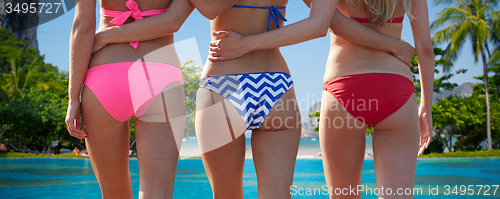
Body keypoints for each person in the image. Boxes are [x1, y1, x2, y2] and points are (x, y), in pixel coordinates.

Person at [92, 0, 414, 198]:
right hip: (277, 87)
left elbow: (208, 7)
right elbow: (318, 25)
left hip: (223, 84)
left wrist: (244, 45)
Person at [210, 0, 433, 198]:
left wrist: (245, 43)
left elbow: (329, 22)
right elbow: (424, 49)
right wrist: (425, 109)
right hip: (396, 87)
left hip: (345, 88)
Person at [64, 0, 194, 198]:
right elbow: (174, 20)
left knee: (113, 194)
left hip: (105, 76)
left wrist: (73, 98)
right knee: (157, 193)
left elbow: (83, 26)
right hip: (160, 75)